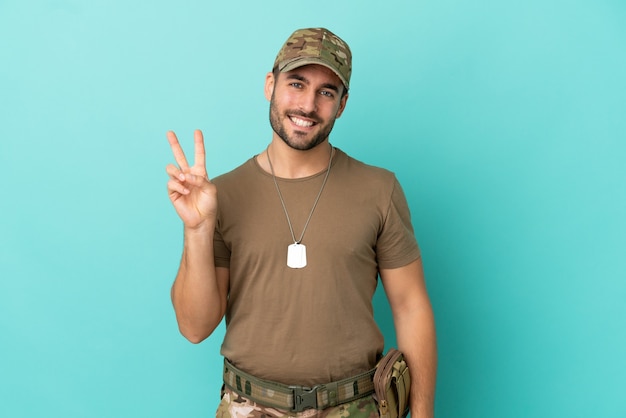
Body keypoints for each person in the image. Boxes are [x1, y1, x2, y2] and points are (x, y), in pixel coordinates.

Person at [165, 28, 437, 418]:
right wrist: (196, 229)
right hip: (249, 407)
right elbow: (194, 328)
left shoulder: (379, 189)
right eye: (297, 84)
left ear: (342, 105)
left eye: (326, 92)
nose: (308, 105)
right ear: (270, 85)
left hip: (354, 407)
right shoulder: (220, 195)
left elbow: (411, 306)